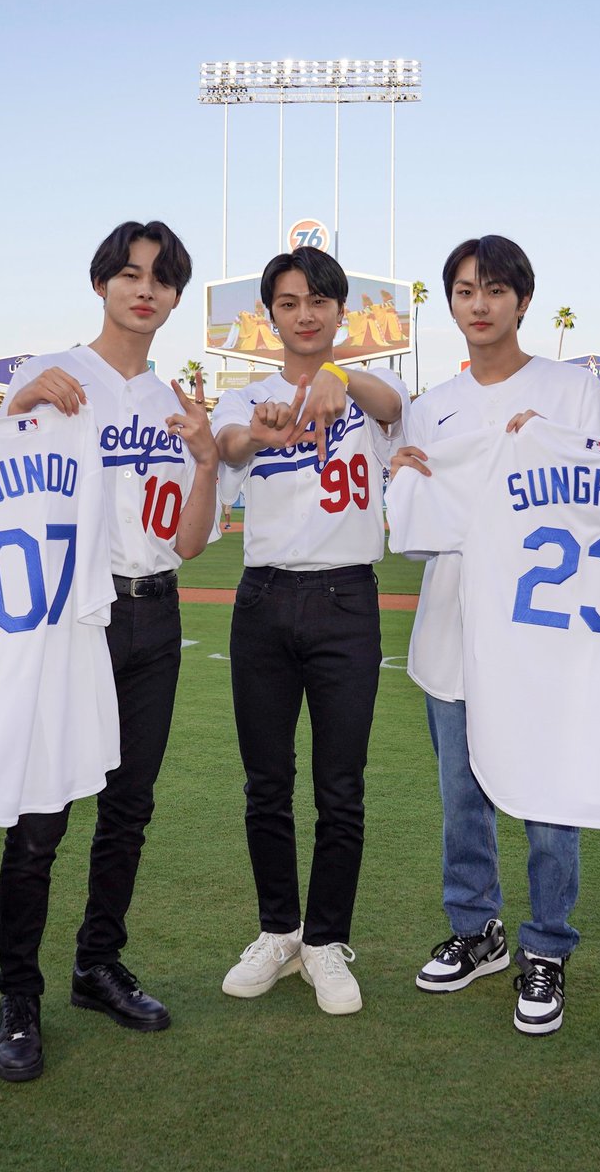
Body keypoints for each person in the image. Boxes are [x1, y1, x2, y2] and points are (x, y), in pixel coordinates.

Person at [0, 220, 218, 1080]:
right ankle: (19, 991)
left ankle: (96, 965)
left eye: (161, 279)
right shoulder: (54, 377)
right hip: (72, 619)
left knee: (129, 808)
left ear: (172, 297)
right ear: (103, 285)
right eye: (129, 274)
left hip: (154, 615)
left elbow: (193, 544)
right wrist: (15, 407)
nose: (145, 290)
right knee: (43, 812)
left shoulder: (173, 403)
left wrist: (203, 462)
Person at [390, 235, 600, 1034]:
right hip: (452, 629)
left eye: (493, 289)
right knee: (462, 798)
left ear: (521, 298)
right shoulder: (433, 404)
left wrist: (548, 453)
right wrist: (408, 478)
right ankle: (475, 930)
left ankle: (546, 946)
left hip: (545, 635)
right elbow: (418, 532)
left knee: (550, 795)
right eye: (462, 290)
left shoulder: (573, 389)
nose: (477, 304)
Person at [212, 246, 408, 1015]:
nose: (305, 314)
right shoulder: (248, 395)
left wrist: (337, 378)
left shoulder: (372, 385)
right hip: (264, 601)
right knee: (267, 784)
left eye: (318, 301)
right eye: (289, 303)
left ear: (339, 311)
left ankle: (326, 941)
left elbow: (390, 408)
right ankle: (277, 932)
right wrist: (261, 433)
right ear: (270, 315)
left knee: (340, 787)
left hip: (346, 602)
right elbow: (228, 445)